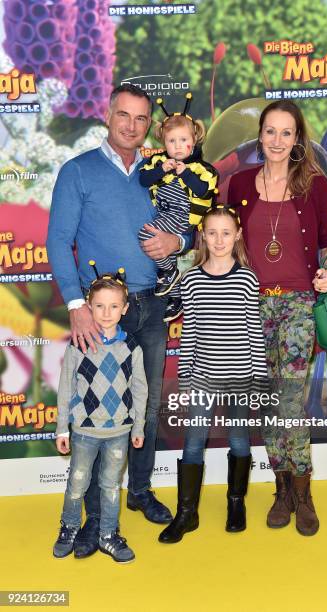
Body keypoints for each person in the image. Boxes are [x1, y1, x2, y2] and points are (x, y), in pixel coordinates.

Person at [47, 84, 194, 558]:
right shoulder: (78, 171)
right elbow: (57, 242)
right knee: (94, 413)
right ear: (107, 115)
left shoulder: (162, 174)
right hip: (102, 315)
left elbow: (190, 226)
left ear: (150, 124)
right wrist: (76, 306)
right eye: (123, 116)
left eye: (141, 119)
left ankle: (140, 491)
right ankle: (92, 520)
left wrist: (178, 245)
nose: (132, 126)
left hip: (151, 305)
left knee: (144, 406)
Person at [228, 99, 327, 536]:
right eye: (270, 131)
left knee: (288, 400)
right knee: (268, 402)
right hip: (250, 305)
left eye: (286, 132)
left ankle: (303, 490)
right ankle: (281, 488)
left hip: (296, 305)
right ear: (261, 134)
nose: (276, 140)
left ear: (298, 138)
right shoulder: (237, 184)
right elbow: (226, 244)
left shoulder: (316, 185)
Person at [158, 206, 268, 544]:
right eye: (212, 233)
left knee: (238, 439)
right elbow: (189, 331)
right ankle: (186, 513)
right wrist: (187, 379)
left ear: (236, 236)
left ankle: (236, 502)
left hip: (240, 376)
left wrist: (259, 379)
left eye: (225, 233)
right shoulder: (191, 279)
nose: (219, 240)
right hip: (203, 376)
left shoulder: (246, 278)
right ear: (202, 236)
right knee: (193, 442)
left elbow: (253, 331)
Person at [53, 272, 147, 564]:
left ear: (125, 309)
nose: (107, 313)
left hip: (119, 431)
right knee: (78, 482)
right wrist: (62, 430)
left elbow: (140, 390)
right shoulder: (78, 346)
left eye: (114, 306)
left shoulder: (132, 348)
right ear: (89, 307)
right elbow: (66, 388)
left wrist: (138, 426)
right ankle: (69, 527)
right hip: (84, 431)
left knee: (110, 485)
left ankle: (108, 534)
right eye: (99, 306)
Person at [139, 93, 218, 322]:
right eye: (172, 141)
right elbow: (144, 181)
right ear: (164, 143)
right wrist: (161, 170)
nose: (178, 146)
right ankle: (176, 297)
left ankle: (170, 272)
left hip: (184, 218)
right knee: (158, 247)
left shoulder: (203, 169)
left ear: (193, 140)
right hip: (165, 215)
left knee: (147, 234)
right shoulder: (158, 163)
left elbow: (204, 191)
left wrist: (187, 173)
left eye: (183, 140)